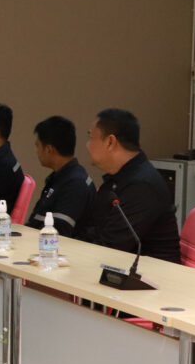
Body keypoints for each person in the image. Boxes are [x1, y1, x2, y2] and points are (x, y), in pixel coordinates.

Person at [76, 108, 181, 263]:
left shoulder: (142, 185)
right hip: (118, 265)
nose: (87, 145)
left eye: (91, 138)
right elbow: (93, 229)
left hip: (151, 273)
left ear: (110, 142)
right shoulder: (118, 179)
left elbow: (110, 247)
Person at [25, 116, 96, 236]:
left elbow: (59, 232)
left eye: (38, 146)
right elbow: (35, 221)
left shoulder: (76, 183)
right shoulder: (59, 177)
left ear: (49, 149)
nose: (37, 152)